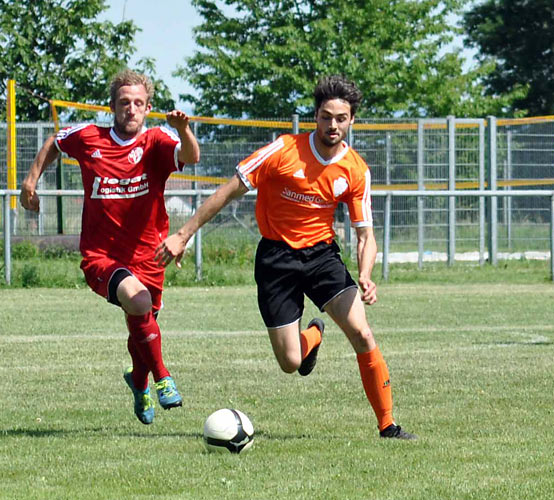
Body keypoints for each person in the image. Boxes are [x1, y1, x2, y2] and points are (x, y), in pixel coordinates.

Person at [155, 75, 416, 439]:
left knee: (362, 333)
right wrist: (183, 235)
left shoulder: (356, 170)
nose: (333, 125)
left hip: (322, 256)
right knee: (290, 362)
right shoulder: (283, 150)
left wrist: (366, 273)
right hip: (276, 258)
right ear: (315, 116)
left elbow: (365, 235)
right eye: (326, 117)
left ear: (352, 119)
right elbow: (229, 191)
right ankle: (313, 335)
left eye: (341, 118)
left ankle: (388, 426)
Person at [21, 69, 200, 424]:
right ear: (113, 107)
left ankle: (138, 381)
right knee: (139, 302)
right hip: (102, 255)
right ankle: (163, 378)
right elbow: (55, 142)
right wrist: (30, 180)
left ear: (147, 108)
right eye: (124, 103)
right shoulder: (89, 138)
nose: (130, 109)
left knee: (142, 323)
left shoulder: (155, 142)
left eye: (137, 103)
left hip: (150, 255)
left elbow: (191, 158)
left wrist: (182, 130)